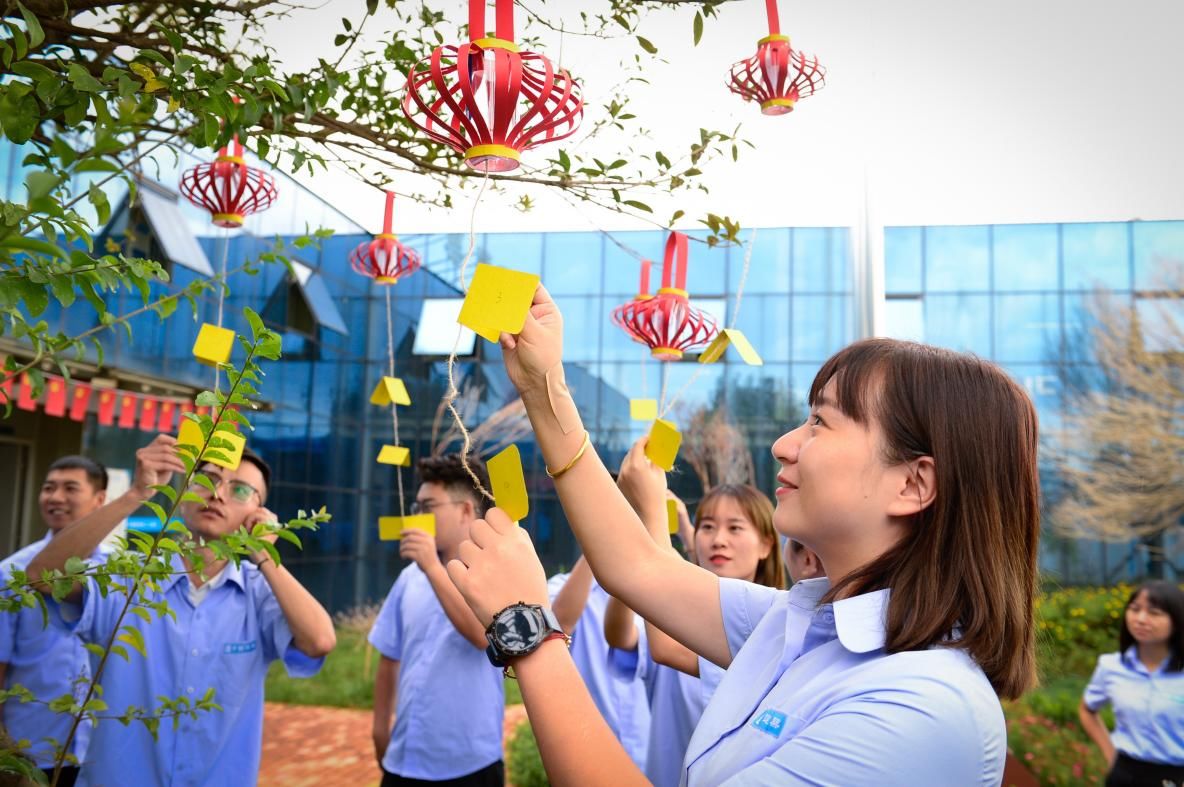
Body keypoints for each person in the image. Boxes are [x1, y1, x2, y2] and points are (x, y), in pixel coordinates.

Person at [444, 284, 1040, 785]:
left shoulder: (922, 707)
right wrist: (544, 388)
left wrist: (524, 627)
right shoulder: (802, 625)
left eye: (820, 423)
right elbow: (639, 568)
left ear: (912, 485)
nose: (784, 445)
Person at [26, 434, 336, 787]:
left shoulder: (259, 593)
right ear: (182, 493)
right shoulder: (129, 575)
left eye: (239, 491)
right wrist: (137, 494)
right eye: (206, 480)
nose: (217, 494)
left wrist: (263, 554)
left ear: (259, 515)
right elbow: (42, 577)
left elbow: (320, 641)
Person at [604, 484, 785, 787]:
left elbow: (667, 648)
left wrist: (649, 537)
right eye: (708, 527)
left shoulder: (779, 623)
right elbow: (619, 636)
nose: (718, 540)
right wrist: (632, 573)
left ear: (766, 545)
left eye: (735, 528)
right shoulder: (666, 615)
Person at [369, 454, 505, 787]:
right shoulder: (409, 579)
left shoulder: (496, 574)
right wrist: (379, 729)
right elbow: (390, 657)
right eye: (416, 508)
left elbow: (481, 636)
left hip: (469, 763)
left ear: (465, 511)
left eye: (428, 508)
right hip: (404, 759)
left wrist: (432, 567)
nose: (417, 518)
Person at [0, 456, 109, 787]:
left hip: (99, 754)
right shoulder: (11, 574)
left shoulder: (118, 575)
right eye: (49, 488)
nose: (55, 497)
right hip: (30, 756)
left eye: (70, 488)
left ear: (100, 500)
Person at [1079, 580, 1184, 786]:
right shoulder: (1111, 666)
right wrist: (1112, 757)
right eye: (1135, 609)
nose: (1141, 619)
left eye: (1154, 613)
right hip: (1125, 775)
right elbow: (1087, 710)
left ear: (1177, 620)